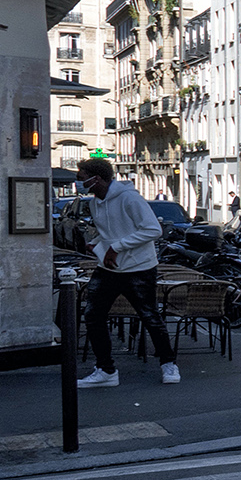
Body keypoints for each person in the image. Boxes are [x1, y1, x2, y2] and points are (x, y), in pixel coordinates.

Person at [74, 156, 179, 388]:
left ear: (96, 178)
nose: (77, 182)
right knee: (93, 315)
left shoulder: (129, 198)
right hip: (109, 267)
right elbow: (111, 231)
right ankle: (106, 370)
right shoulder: (94, 202)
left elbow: (153, 230)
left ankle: (168, 363)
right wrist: (98, 243)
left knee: (150, 317)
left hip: (139, 268)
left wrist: (115, 247)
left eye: (80, 178)